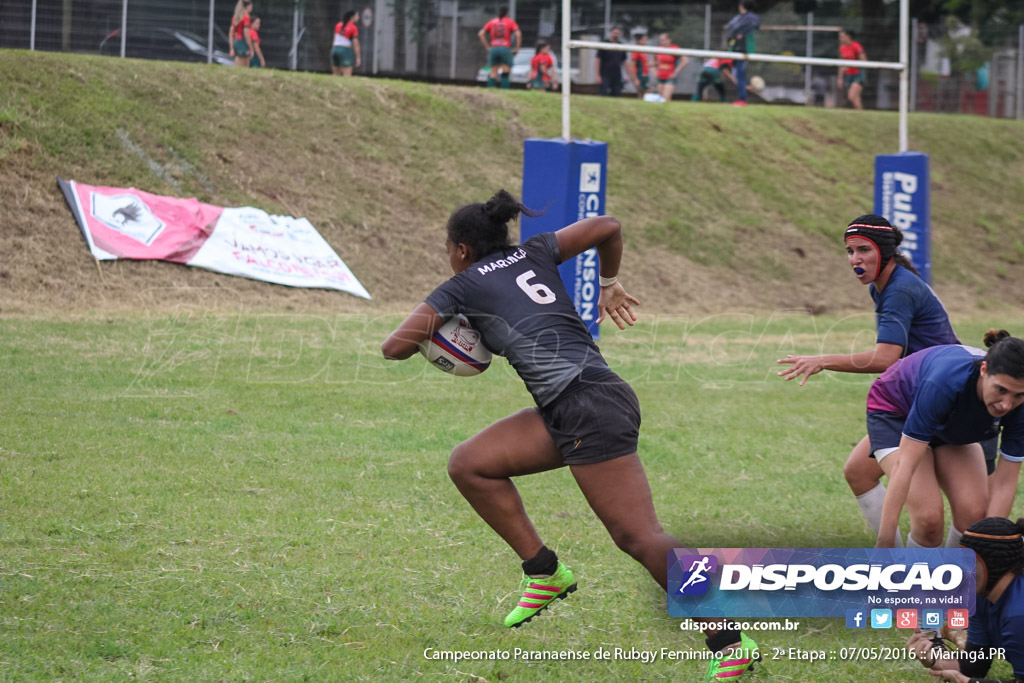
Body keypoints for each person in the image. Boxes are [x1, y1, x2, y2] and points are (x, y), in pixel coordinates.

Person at [381, 190, 760, 682]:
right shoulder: (535, 250)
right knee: (470, 463)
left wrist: (440, 332)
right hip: (574, 402)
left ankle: (731, 641)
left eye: (447, 250)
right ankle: (544, 571)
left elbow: (393, 347)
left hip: (588, 406)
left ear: (460, 250)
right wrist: (610, 282)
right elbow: (608, 225)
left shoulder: (462, 285)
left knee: (638, 536)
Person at [777, 215, 963, 548]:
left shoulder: (899, 289)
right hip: (916, 397)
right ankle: (896, 562)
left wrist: (822, 360)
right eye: (849, 251)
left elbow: (884, 358)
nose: (855, 260)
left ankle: (939, 582)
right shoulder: (888, 285)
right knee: (859, 472)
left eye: (864, 250)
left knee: (934, 518)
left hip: (941, 400)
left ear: (886, 252)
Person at [872, 331, 1024, 549]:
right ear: (984, 370)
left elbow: (1005, 481)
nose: (1006, 405)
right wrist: (885, 542)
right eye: (1001, 390)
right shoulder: (943, 383)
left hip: (948, 416)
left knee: (974, 515)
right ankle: (912, 581)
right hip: (896, 409)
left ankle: (954, 578)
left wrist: (988, 545)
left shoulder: (1019, 404)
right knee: (929, 519)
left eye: (1018, 395)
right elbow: (905, 465)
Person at [906, 516, 1024, 681]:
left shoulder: (1018, 613)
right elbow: (975, 666)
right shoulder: (981, 599)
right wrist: (934, 660)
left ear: (994, 563)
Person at [725, 0, 760, 107]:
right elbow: (730, 28)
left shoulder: (751, 18)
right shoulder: (737, 18)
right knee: (736, 75)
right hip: (735, 50)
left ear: (742, 6)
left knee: (740, 74)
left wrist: (741, 32)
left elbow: (755, 25)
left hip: (744, 51)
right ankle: (744, 92)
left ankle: (742, 100)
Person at [479, 6, 521, 89]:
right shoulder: (510, 22)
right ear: (507, 13)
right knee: (505, 71)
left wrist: (487, 46)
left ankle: (490, 91)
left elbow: (481, 34)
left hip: (494, 48)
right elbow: (518, 34)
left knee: (493, 72)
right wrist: (517, 48)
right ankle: (504, 91)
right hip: (505, 48)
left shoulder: (492, 22)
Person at [838, 29, 867, 110]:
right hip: (849, 75)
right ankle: (861, 115)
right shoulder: (842, 48)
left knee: (851, 96)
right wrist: (840, 78)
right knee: (855, 98)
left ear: (848, 37)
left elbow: (864, 60)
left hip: (858, 74)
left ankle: (861, 114)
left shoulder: (856, 46)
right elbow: (842, 64)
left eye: (842, 37)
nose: (841, 39)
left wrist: (853, 64)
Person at [654, 33, 687, 102]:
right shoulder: (659, 49)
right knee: (660, 99)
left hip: (670, 78)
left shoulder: (674, 48)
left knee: (666, 98)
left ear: (669, 40)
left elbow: (685, 60)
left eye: (664, 40)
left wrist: (676, 71)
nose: (663, 42)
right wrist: (654, 71)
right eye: (661, 40)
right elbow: (653, 62)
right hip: (660, 77)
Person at [595, 27, 627, 97]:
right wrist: (597, 75)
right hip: (604, 74)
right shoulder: (604, 44)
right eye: (614, 33)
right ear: (611, 33)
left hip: (617, 75)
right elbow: (598, 60)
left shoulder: (621, 46)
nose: (616, 35)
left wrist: (627, 75)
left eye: (617, 33)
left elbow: (624, 61)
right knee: (603, 94)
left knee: (616, 94)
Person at [331, 11, 361, 76]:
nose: (358, 18)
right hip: (345, 50)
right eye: (357, 16)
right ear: (352, 17)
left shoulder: (338, 24)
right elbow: (356, 44)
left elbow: (334, 40)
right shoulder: (353, 27)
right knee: (347, 75)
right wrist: (358, 57)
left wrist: (333, 50)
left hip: (335, 49)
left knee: (336, 75)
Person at [228, 0, 255, 68]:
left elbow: (231, 34)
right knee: (241, 62)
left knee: (246, 61)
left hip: (237, 41)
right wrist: (251, 47)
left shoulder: (235, 18)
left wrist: (232, 48)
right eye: (251, 6)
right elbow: (246, 34)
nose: (252, 7)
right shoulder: (246, 17)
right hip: (241, 41)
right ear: (247, 6)